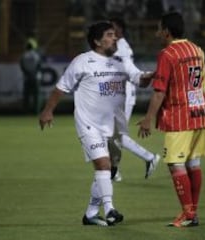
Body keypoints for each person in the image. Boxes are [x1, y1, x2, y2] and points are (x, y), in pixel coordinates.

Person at [39, 21, 154, 227]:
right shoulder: (83, 61)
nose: (115, 38)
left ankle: (91, 213)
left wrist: (152, 75)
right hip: (89, 124)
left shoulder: (121, 62)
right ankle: (110, 210)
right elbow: (61, 87)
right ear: (97, 41)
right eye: (110, 35)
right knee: (103, 164)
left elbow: (140, 79)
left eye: (114, 34)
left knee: (108, 170)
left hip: (113, 127)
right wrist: (48, 110)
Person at [137, 12, 205, 228]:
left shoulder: (167, 54)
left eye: (159, 29)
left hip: (180, 116)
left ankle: (188, 214)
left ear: (167, 31)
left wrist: (148, 118)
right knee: (193, 163)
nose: (157, 33)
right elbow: (203, 82)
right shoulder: (197, 50)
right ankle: (192, 213)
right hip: (201, 112)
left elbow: (159, 92)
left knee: (175, 164)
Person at [109, 17, 160, 182]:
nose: (111, 30)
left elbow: (129, 70)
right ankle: (116, 169)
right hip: (119, 93)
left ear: (121, 30)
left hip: (125, 93)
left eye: (114, 27)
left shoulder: (121, 47)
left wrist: (144, 76)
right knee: (112, 134)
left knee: (116, 134)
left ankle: (146, 159)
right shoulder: (117, 45)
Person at [20, 39, 43, 114]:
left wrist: (27, 73)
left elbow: (22, 66)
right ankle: (36, 111)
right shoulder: (36, 55)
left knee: (26, 95)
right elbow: (39, 65)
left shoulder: (24, 55)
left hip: (27, 77)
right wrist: (34, 73)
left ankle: (25, 111)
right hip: (36, 77)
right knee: (36, 95)